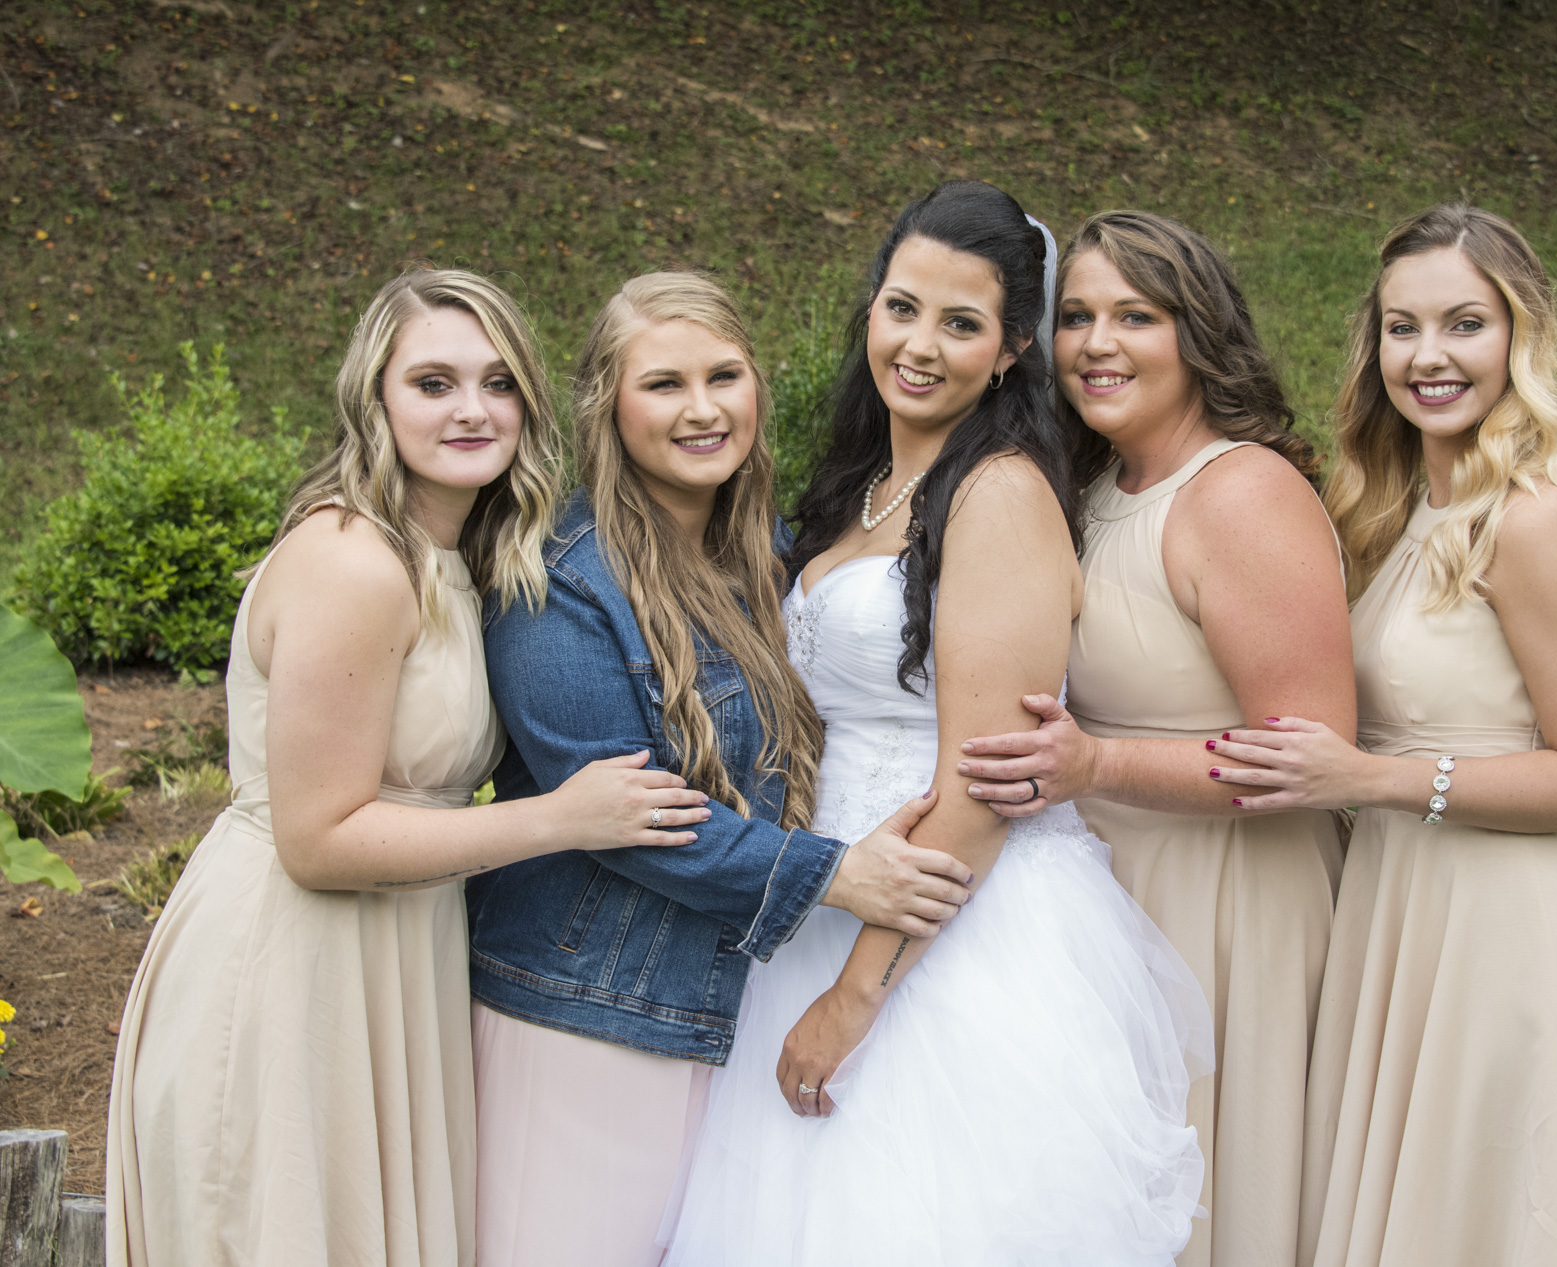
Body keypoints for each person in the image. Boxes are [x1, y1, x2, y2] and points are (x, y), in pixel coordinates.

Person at [664, 180, 1212, 1267]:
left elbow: (988, 779)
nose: (920, 345)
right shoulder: (861, 483)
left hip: (949, 929)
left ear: (1010, 350)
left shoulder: (999, 492)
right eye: (902, 307)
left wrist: (856, 994)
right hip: (832, 888)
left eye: (962, 324)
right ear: (869, 307)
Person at [105, 268, 701, 1267]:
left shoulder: (452, 559)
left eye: (498, 381)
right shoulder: (355, 561)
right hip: (294, 962)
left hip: (392, 951)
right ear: (373, 399)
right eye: (433, 382)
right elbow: (318, 838)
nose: (472, 408)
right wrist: (563, 817)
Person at [465, 271, 976, 1267]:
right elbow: (631, 815)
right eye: (663, 385)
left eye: (723, 376)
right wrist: (835, 872)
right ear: (607, 409)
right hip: (585, 1012)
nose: (702, 409)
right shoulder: (560, 584)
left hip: (713, 1005)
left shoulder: (761, 557)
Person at [1209, 204, 1557, 1266]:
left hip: (1507, 947)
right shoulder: (1389, 508)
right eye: (1400, 327)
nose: (1428, 357)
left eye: (1463, 324)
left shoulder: (1535, 518)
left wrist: (1370, 776)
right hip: (1397, 923)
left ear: (1519, 335)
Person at [956, 209, 1356, 1267]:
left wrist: (1097, 762)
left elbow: (1311, 749)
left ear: (1199, 333)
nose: (1097, 343)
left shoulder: (1240, 493)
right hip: (1104, 892)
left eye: (1136, 315)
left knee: (1216, 1196)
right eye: (1078, 315)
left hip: (1233, 905)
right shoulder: (1087, 490)